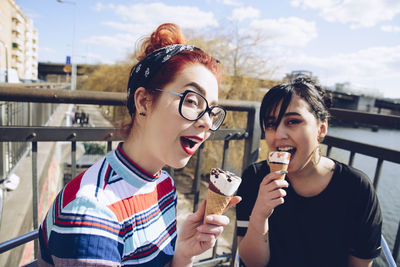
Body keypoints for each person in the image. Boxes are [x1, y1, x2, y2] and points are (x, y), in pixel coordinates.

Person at [38, 23, 241, 266]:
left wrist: (184, 253)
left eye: (211, 110)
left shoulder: (163, 185)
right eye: (192, 101)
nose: (206, 122)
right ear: (144, 102)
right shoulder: (91, 214)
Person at [236, 76, 382, 267]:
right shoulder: (255, 178)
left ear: (321, 129)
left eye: (293, 121)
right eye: (271, 124)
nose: (279, 134)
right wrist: (259, 215)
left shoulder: (356, 189)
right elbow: (253, 263)